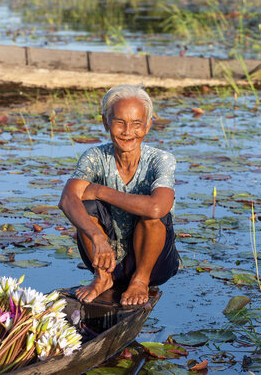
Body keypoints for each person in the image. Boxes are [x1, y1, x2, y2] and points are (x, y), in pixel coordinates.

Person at [58, 84, 179, 306]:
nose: (127, 131)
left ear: (148, 125)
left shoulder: (160, 159)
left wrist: (101, 191)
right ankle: (102, 278)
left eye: (136, 124)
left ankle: (139, 281)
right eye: (119, 122)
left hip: (154, 264)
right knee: (85, 206)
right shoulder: (95, 156)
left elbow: (156, 208)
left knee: (151, 216)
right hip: (104, 256)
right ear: (106, 122)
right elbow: (67, 199)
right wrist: (96, 236)